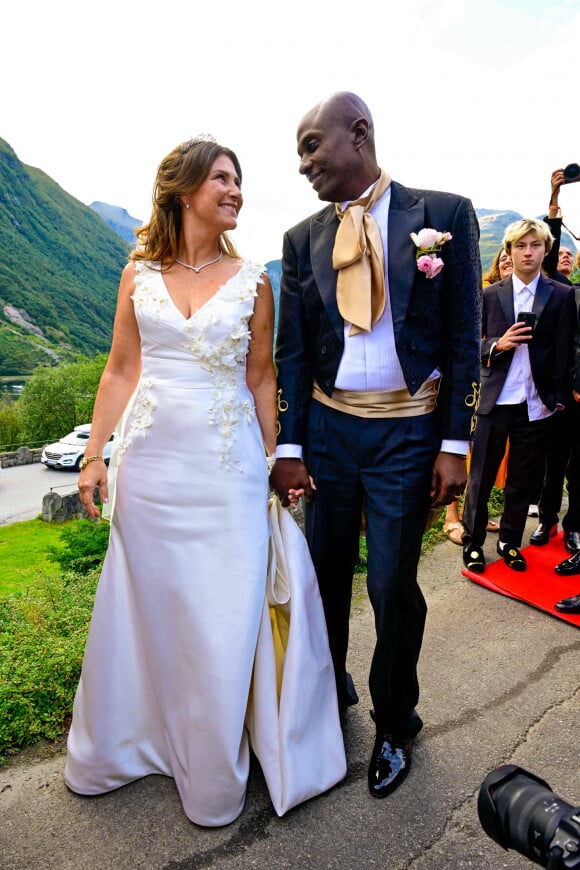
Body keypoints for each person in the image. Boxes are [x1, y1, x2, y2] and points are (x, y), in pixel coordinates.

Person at [64, 137, 344, 827]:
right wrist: (95, 455)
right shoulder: (138, 275)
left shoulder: (255, 280)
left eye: (239, 181)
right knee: (147, 609)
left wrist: (277, 460)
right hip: (152, 471)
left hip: (227, 472)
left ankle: (211, 768)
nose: (235, 190)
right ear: (184, 191)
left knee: (220, 614)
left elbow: (260, 377)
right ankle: (131, 744)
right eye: (221, 178)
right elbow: (120, 370)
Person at [270, 92, 482, 799]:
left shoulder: (443, 218)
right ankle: (331, 695)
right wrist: (289, 445)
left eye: (310, 146)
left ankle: (396, 723)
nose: (302, 164)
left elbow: (460, 340)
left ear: (358, 133)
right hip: (328, 432)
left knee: (392, 584)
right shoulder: (301, 240)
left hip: (407, 432)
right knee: (322, 576)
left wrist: (455, 441)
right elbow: (293, 354)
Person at [462, 219, 577, 575]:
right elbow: (469, 345)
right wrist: (498, 344)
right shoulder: (489, 295)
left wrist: (557, 397)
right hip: (495, 401)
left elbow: (566, 348)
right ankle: (473, 542)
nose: (528, 253)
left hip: (536, 403)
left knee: (522, 480)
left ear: (545, 250)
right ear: (509, 251)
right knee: (481, 477)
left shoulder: (560, 295)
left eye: (535, 246)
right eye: (521, 246)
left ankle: (510, 540)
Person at [444, 246, 512, 545]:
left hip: (502, 390)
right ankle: (451, 518)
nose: (508, 260)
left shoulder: (516, 296)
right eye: (504, 257)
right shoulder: (484, 294)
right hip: (472, 383)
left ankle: (476, 515)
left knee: (483, 459)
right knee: (463, 450)